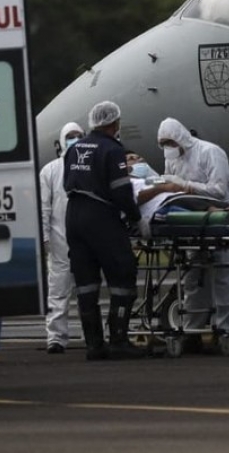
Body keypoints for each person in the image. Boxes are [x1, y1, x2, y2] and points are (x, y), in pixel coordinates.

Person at [64, 101, 147, 360]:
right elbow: (121, 190)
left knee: (86, 283)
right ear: (115, 123)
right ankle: (119, 340)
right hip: (100, 216)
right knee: (123, 274)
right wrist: (135, 217)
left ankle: (94, 345)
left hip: (73, 216)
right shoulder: (112, 150)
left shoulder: (74, 149)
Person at [157, 118, 229, 348]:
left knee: (224, 278)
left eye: (169, 142)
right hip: (193, 219)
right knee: (193, 279)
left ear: (181, 138)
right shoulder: (172, 160)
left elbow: (219, 191)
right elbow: (170, 189)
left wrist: (185, 186)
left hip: (220, 216)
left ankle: (224, 330)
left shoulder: (210, 153)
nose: (167, 148)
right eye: (163, 144)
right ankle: (192, 329)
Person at [39, 122, 85, 354]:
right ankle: (56, 337)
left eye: (78, 136)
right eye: (70, 136)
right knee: (58, 291)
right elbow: (44, 207)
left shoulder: (88, 166)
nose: (74, 140)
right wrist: (45, 237)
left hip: (85, 240)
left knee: (88, 289)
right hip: (59, 241)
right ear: (61, 140)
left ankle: (92, 334)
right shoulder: (50, 171)